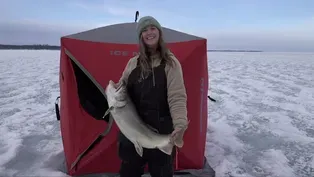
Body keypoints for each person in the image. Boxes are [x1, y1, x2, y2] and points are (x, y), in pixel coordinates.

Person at [116, 16, 189, 177]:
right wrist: (114, 89)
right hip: (133, 132)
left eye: (152, 28)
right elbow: (122, 88)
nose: (149, 32)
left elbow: (177, 97)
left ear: (159, 32)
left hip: (161, 130)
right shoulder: (132, 63)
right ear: (141, 36)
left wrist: (180, 124)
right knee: (128, 173)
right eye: (144, 30)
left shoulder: (171, 63)